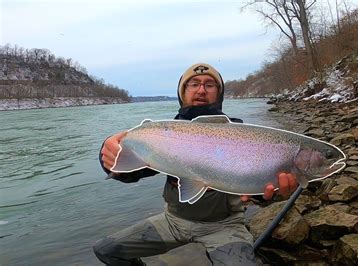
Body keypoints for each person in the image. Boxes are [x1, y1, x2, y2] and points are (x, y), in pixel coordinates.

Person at [93, 63, 297, 265]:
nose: (201, 90)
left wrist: (273, 191)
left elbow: (257, 187)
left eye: (209, 85)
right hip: (173, 222)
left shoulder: (244, 135)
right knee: (106, 251)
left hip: (224, 226)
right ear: (183, 92)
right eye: (194, 84)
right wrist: (110, 156)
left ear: (219, 93)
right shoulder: (161, 134)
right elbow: (131, 173)